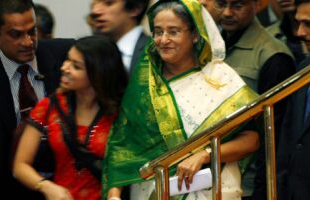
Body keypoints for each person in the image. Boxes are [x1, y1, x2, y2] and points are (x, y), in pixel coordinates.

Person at [103, 0, 260, 199]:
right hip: (151, 192)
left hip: (212, 191)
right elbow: (123, 144)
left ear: (195, 34)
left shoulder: (220, 79)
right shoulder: (146, 83)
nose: (163, 40)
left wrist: (205, 154)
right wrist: (114, 194)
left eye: (173, 32)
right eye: (158, 32)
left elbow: (251, 140)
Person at [0, 0, 73, 199]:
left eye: (32, 31)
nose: (28, 42)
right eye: (16, 34)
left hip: (65, 189)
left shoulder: (67, 58)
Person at [13, 35, 128, 200]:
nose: (64, 68)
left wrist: (114, 194)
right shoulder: (49, 106)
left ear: (97, 73)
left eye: (76, 66)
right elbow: (20, 166)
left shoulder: (119, 112)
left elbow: (123, 164)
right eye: (67, 60)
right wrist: (45, 186)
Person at [215, 0, 296, 198]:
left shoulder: (272, 55)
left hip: (248, 184)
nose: (226, 12)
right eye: (221, 3)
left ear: (257, 4)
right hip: (211, 177)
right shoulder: (209, 46)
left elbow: (274, 136)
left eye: (237, 5)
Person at [276, 0, 310, 199]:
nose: (299, 32)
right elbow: (288, 134)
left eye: (309, 24)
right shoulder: (305, 66)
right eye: (299, 23)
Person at [90, 0, 150, 73]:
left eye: (108, 3)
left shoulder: (155, 52)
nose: (95, 11)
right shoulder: (90, 53)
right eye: (94, 4)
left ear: (135, 9)